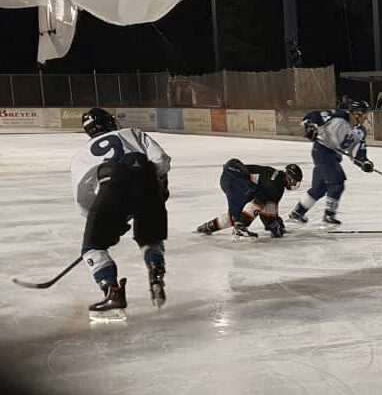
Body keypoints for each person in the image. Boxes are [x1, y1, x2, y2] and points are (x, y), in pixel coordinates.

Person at [70, 107, 171, 318]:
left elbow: (83, 193)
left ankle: (112, 293)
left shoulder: (83, 152)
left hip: (112, 185)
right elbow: (160, 159)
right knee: (149, 238)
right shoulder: (132, 132)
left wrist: (103, 216)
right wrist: (156, 187)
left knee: (92, 247)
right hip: (148, 182)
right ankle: (156, 275)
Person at [289, 100, 373, 226]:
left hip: (333, 155)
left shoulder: (360, 131)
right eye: (360, 114)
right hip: (322, 151)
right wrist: (310, 127)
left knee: (319, 189)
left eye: (364, 115)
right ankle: (329, 215)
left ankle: (298, 212)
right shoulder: (337, 116)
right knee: (337, 183)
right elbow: (314, 115)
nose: (363, 118)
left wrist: (363, 162)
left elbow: (357, 150)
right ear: (352, 113)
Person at [196, 160, 303, 238]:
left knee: (237, 216)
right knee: (259, 200)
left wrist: (276, 225)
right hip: (235, 181)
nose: (294, 184)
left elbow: (268, 213)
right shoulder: (276, 186)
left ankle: (208, 227)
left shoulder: (276, 178)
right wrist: (276, 228)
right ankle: (240, 229)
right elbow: (268, 215)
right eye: (294, 181)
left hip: (231, 177)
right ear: (289, 177)